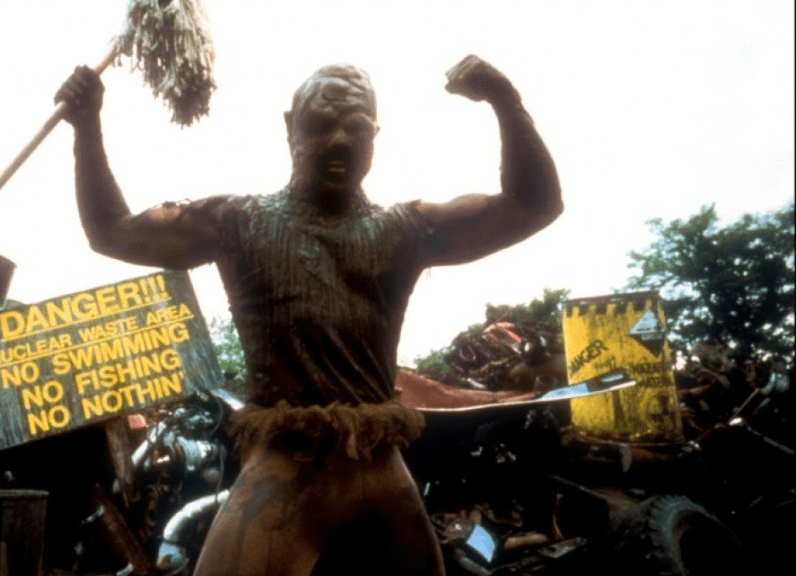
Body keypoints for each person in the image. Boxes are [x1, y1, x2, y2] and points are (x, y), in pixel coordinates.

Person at [55, 54, 561, 576]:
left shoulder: (407, 229)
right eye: (320, 125)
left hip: (379, 467)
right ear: (289, 127)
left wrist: (504, 99)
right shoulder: (239, 223)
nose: (339, 141)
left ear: (376, 136)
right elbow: (112, 232)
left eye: (357, 128)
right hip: (286, 467)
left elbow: (534, 206)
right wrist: (87, 126)